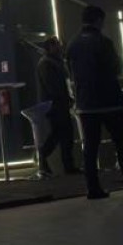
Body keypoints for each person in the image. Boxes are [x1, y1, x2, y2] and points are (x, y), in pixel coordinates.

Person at [66, 5, 123, 199]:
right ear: (98, 20)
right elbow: (115, 67)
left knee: (90, 148)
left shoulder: (73, 44)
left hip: (85, 103)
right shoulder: (103, 42)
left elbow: (70, 72)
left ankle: (93, 188)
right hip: (109, 101)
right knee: (121, 144)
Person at [36, 36, 78, 176]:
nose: (60, 47)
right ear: (50, 47)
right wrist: (65, 98)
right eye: (57, 45)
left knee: (61, 134)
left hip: (58, 103)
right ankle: (47, 157)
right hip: (56, 104)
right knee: (62, 134)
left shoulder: (53, 62)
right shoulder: (47, 63)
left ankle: (60, 163)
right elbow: (53, 86)